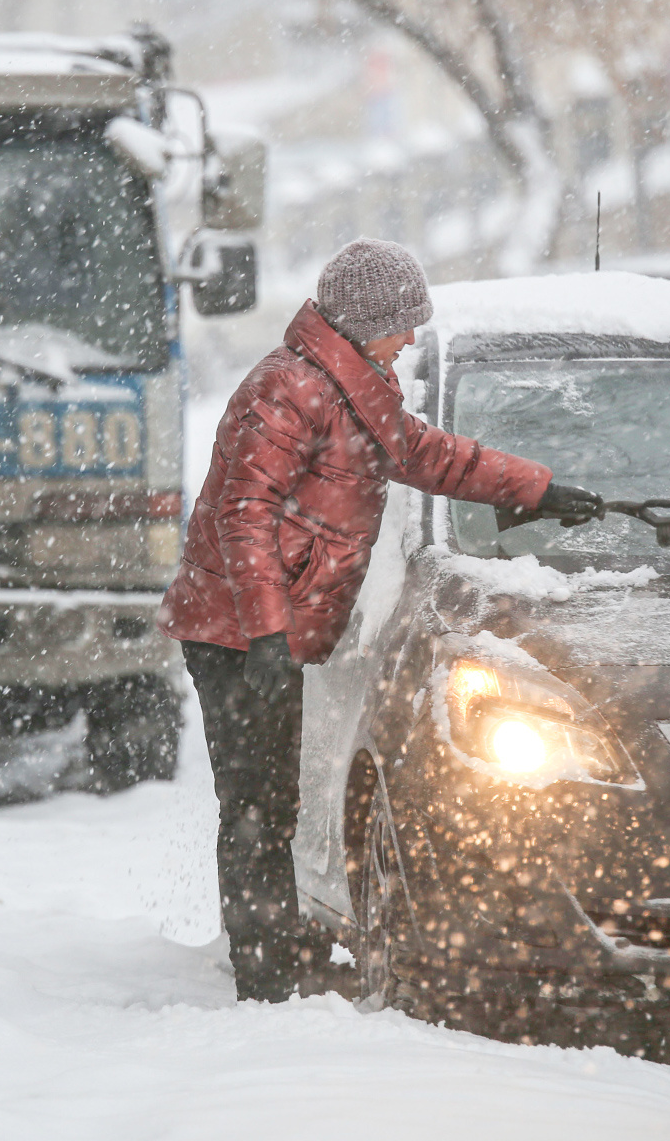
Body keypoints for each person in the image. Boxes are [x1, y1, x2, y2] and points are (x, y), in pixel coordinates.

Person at [157, 238, 602, 1000]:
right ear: (364, 321)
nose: (411, 338)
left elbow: (427, 455)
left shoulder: (357, 385)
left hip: (268, 628)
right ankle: (263, 976)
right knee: (258, 800)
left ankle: (274, 943)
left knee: (275, 797)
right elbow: (243, 516)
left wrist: (534, 489)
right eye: (403, 323)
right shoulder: (286, 390)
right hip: (234, 631)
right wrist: (266, 633)